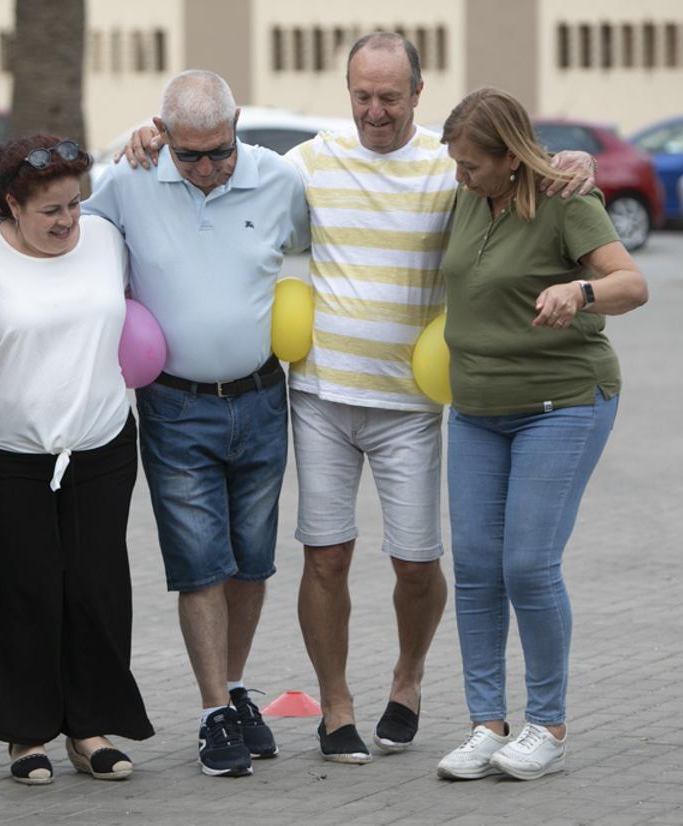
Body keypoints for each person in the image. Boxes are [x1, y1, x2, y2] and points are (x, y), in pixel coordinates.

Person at [119, 34, 594, 764]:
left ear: (418, 92)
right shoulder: (306, 165)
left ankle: (407, 683)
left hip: (409, 402)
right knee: (325, 558)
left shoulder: (451, 166)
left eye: (390, 97)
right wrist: (148, 135)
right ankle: (335, 705)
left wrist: (574, 162)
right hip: (319, 395)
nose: (375, 111)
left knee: (415, 563)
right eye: (362, 96)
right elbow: (203, 161)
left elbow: (520, 183)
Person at [86, 69, 311, 778]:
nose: (209, 167)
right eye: (192, 154)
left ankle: (236, 685)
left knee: (251, 558)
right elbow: (53, 210)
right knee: (198, 561)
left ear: (237, 122)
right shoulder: (130, 179)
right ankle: (216, 711)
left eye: (220, 149)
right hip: (176, 405)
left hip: (261, 396)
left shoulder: (280, 179)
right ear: (163, 135)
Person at [434, 87, 647, 781]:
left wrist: (579, 292)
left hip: (562, 404)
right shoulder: (467, 195)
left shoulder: (564, 196)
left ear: (509, 158)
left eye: (471, 166)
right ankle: (485, 726)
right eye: (457, 164)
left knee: (526, 564)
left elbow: (631, 283)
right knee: (473, 566)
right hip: (475, 410)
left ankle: (548, 726)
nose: (460, 177)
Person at [0, 134, 154, 786]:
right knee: (25, 588)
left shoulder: (104, 239)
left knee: (96, 587)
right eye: (50, 211)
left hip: (100, 442)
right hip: (12, 451)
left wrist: (145, 137)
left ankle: (90, 727)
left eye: (74, 205)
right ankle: (26, 734)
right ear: (10, 204)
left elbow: (142, 164)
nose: (68, 221)